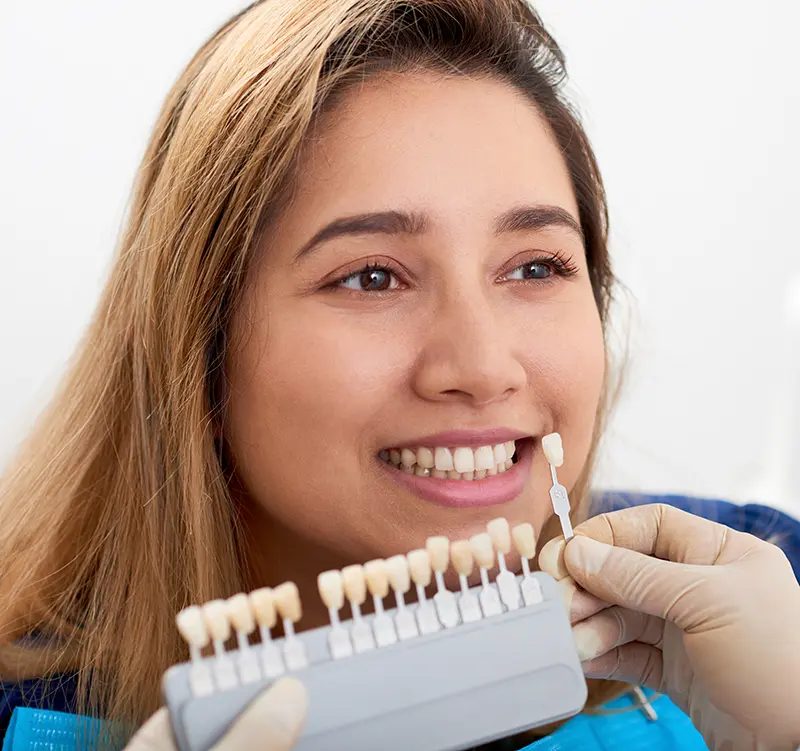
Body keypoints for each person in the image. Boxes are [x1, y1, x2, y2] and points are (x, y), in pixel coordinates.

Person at [1, 0, 798, 749]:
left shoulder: (765, 593)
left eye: (534, 266)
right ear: (199, 351)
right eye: (373, 277)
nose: (482, 367)